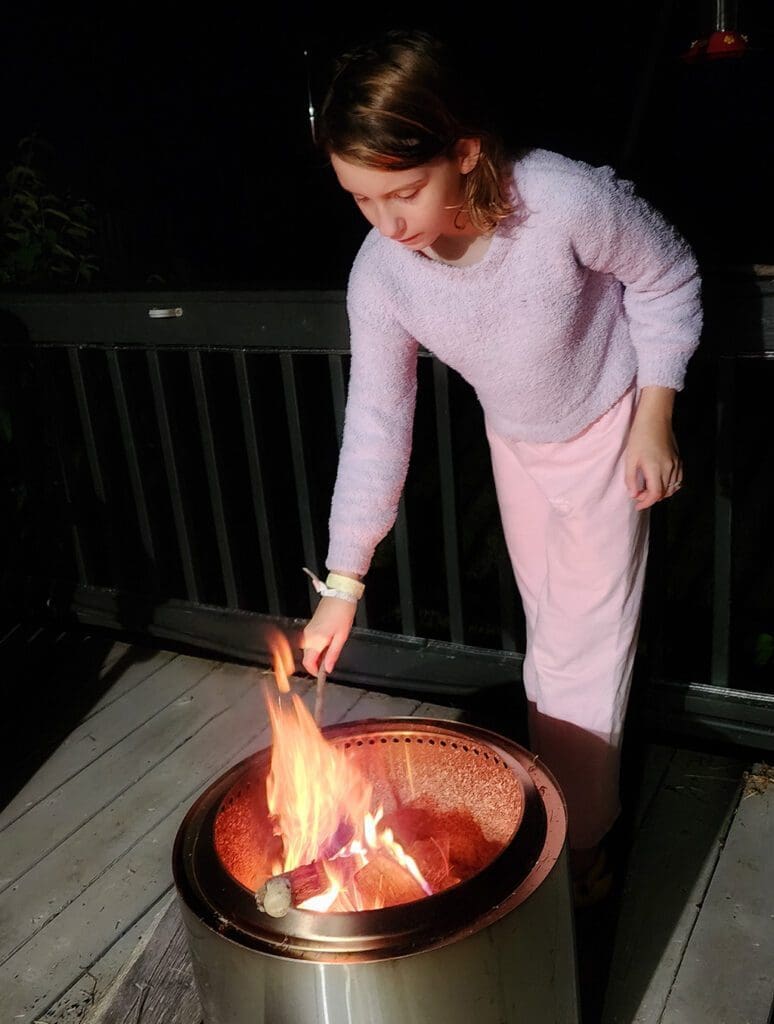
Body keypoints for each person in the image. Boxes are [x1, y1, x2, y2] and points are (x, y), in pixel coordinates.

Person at [300, 28, 703, 903]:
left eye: (402, 192)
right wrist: (343, 581)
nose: (386, 224)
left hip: (608, 428)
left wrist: (656, 417)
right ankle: (563, 812)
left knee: (585, 653)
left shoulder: (558, 198)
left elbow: (668, 277)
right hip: (516, 441)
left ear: (466, 152)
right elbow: (376, 420)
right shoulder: (383, 274)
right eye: (360, 199)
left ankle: (583, 843)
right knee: (549, 645)